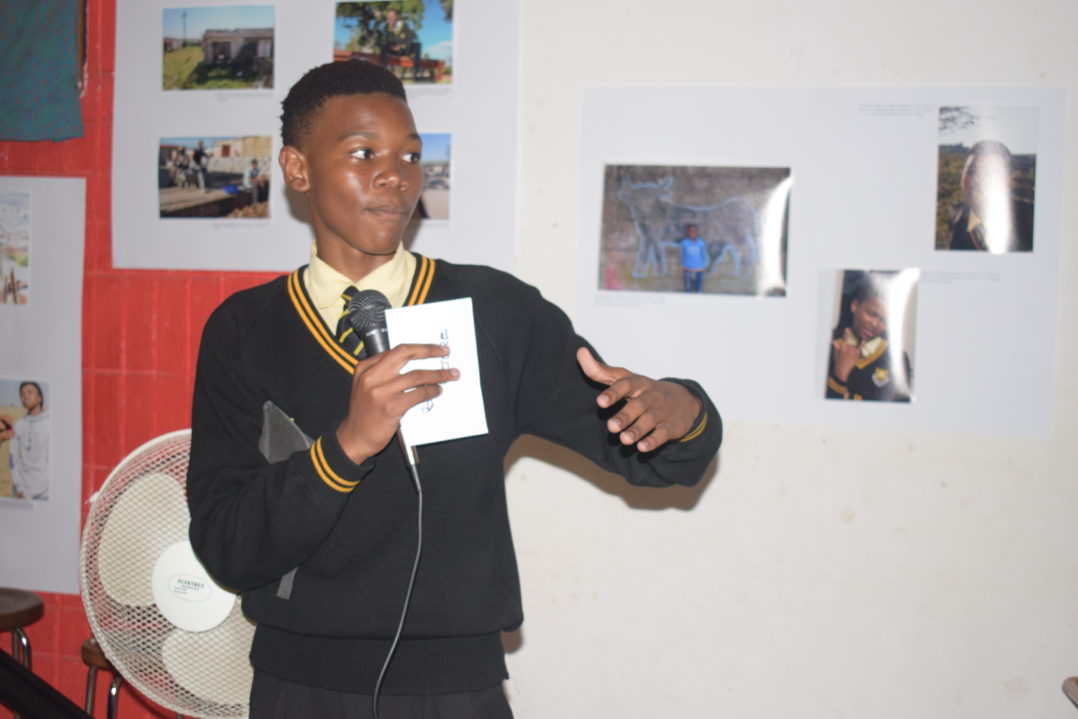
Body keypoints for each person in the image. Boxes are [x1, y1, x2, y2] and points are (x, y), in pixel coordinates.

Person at [186, 59, 722, 719]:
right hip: (300, 690)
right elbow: (225, 544)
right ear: (296, 169)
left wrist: (682, 409)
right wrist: (346, 445)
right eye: (364, 153)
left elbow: (653, 455)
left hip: (456, 693)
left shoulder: (496, 311)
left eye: (412, 155)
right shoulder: (245, 330)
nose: (396, 174)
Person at [825, 272, 912, 402]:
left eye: (884, 321)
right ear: (855, 306)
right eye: (872, 314)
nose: (875, 324)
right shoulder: (829, 345)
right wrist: (840, 373)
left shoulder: (896, 359)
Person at [947, 139, 1034, 252]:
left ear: (1007, 180)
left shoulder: (1032, 218)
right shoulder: (954, 217)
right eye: (972, 171)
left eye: (990, 173)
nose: (978, 180)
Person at [0, 381, 50, 500]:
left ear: (40, 398)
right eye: (22, 394)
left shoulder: (50, 422)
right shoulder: (18, 425)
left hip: (46, 493)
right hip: (22, 492)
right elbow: (13, 460)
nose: (25, 395)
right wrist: (20, 488)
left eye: (30, 392)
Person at [378, 8, 423, 81]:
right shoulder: (386, 28)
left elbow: (410, 37)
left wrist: (402, 46)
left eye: (392, 16)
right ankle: (383, 72)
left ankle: (416, 72)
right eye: (389, 16)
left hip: (405, 50)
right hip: (393, 51)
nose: (390, 18)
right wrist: (390, 30)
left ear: (396, 17)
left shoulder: (403, 25)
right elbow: (387, 42)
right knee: (383, 46)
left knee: (417, 45)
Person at [676, 224, 709, 292]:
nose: (692, 233)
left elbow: (703, 255)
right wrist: (684, 266)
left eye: (694, 231)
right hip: (688, 268)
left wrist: (702, 266)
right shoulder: (685, 243)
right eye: (691, 231)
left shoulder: (701, 243)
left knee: (698, 287)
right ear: (688, 232)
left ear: (697, 232)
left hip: (698, 269)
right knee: (688, 288)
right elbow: (682, 254)